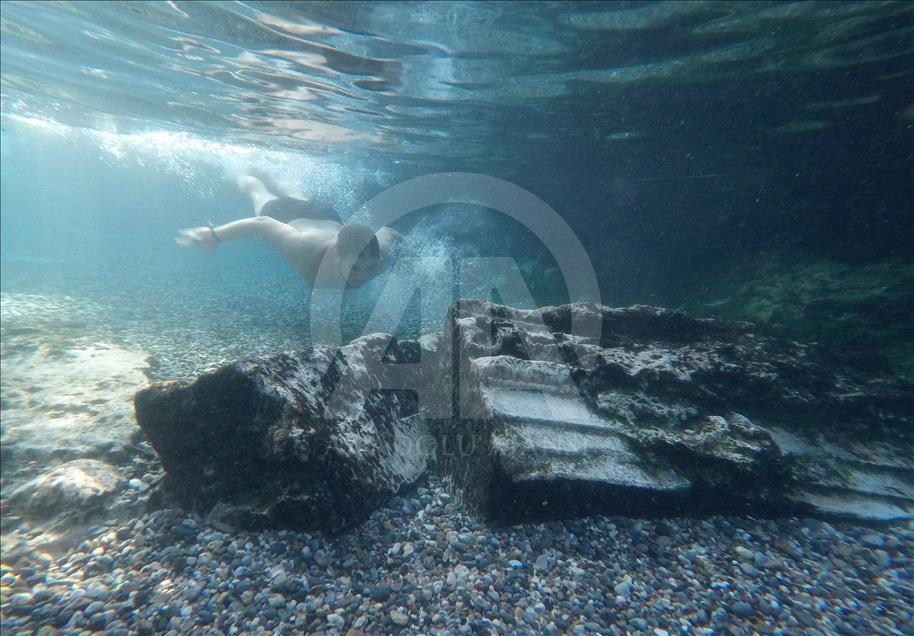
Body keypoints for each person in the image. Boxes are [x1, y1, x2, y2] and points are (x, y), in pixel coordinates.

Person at [176, 175, 401, 288]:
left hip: (327, 215)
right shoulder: (304, 246)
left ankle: (288, 182)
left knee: (300, 196)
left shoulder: (373, 256)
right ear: (336, 255)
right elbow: (262, 223)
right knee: (258, 192)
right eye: (355, 268)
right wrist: (214, 236)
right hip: (287, 215)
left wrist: (409, 258)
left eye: (369, 267)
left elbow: (387, 232)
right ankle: (239, 171)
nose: (362, 276)